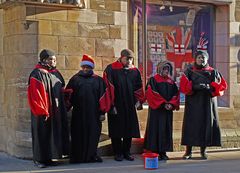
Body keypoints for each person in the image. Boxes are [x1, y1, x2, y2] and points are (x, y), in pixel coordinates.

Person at [180, 50, 227, 160]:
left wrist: (209, 87)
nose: (201, 59)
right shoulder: (189, 72)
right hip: (193, 102)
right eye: (199, 57)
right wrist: (195, 86)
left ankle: (203, 151)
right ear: (195, 59)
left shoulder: (213, 72)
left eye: (203, 58)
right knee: (191, 126)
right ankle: (188, 151)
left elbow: (221, 86)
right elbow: (183, 85)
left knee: (206, 125)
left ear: (207, 59)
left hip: (207, 102)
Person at [27, 49, 69, 168]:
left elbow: (61, 89)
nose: (53, 61)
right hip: (43, 111)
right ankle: (39, 159)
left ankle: (49, 157)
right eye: (51, 59)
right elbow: (35, 94)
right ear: (44, 60)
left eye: (55, 59)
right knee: (42, 134)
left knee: (51, 134)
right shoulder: (37, 74)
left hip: (55, 111)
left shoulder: (56, 73)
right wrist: (42, 110)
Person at [65, 54, 109, 163]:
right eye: (84, 67)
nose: (85, 69)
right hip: (78, 113)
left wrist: (102, 112)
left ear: (91, 68)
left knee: (93, 135)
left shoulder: (98, 80)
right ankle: (77, 157)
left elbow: (103, 97)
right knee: (77, 134)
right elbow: (68, 95)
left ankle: (92, 155)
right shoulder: (75, 79)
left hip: (94, 114)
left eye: (88, 67)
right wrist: (65, 108)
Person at [103, 49, 145, 161]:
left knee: (129, 130)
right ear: (122, 57)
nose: (129, 61)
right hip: (116, 104)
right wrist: (111, 105)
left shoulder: (135, 71)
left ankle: (127, 152)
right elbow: (107, 88)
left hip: (130, 104)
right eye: (128, 59)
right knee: (116, 130)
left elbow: (138, 87)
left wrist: (138, 101)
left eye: (131, 59)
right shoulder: (111, 69)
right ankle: (118, 153)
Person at [144, 61, 180, 160]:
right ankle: (155, 151)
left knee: (165, 130)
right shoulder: (153, 80)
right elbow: (151, 93)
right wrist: (163, 103)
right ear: (159, 69)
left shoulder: (171, 82)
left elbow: (176, 95)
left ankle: (163, 152)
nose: (166, 71)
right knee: (155, 129)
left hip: (167, 111)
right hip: (157, 111)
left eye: (168, 69)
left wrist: (171, 104)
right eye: (164, 69)